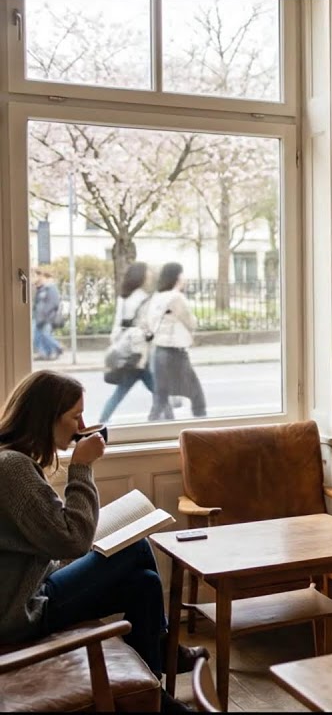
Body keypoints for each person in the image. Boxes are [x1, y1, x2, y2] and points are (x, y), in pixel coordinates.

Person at [0, 371, 205, 712]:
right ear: (45, 418)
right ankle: (166, 648)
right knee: (137, 547)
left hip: (28, 592)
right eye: (74, 417)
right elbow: (73, 538)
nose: (82, 424)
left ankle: (155, 692)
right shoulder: (12, 469)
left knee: (144, 583)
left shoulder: (11, 461)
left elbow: (44, 542)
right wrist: (82, 466)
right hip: (20, 614)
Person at [145, 263, 207, 421]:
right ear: (177, 277)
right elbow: (191, 322)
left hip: (159, 351)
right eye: (182, 274)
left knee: (160, 397)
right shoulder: (176, 297)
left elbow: (150, 323)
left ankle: (152, 430)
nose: (184, 278)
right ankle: (204, 431)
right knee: (197, 395)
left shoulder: (156, 297)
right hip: (175, 352)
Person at [100, 262, 156, 423]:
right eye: (148, 272)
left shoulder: (123, 298)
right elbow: (147, 327)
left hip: (127, 352)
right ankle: (163, 419)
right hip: (139, 353)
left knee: (121, 393)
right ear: (142, 276)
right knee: (157, 391)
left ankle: (102, 422)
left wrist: (119, 346)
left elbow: (117, 327)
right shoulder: (145, 299)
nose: (150, 275)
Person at [31, 269, 64, 361]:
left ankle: (57, 348)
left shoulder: (51, 288)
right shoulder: (41, 288)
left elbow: (53, 303)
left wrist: (44, 314)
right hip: (39, 317)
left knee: (45, 335)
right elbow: (37, 303)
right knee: (38, 336)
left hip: (47, 317)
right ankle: (46, 354)